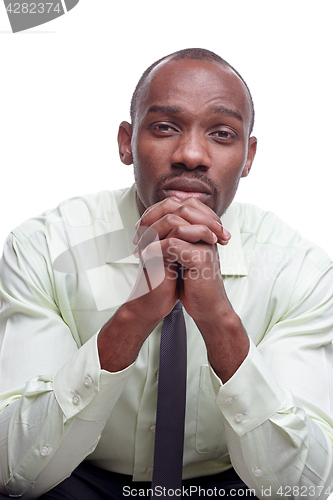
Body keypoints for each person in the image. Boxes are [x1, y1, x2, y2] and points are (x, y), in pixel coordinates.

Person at [0, 47, 333, 500]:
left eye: (222, 133)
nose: (191, 155)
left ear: (249, 155)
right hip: (77, 480)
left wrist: (220, 322)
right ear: (126, 142)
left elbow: (305, 487)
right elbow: (13, 470)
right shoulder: (43, 248)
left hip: (231, 485)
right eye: (164, 127)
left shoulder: (302, 270)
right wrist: (131, 318)